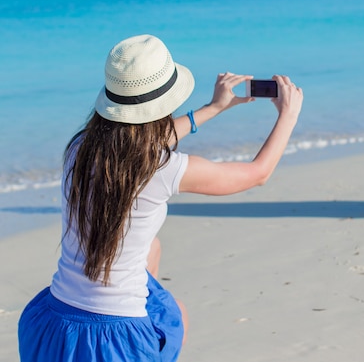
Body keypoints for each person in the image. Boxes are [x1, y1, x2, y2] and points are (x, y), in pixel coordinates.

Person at [17, 34, 304, 361]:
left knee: (152, 247)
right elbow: (258, 174)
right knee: (176, 312)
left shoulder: (80, 147)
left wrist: (212, 109)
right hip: (116, 339)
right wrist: (288, 115)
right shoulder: (164, 169)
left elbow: (137, 142)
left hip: (49, 324)